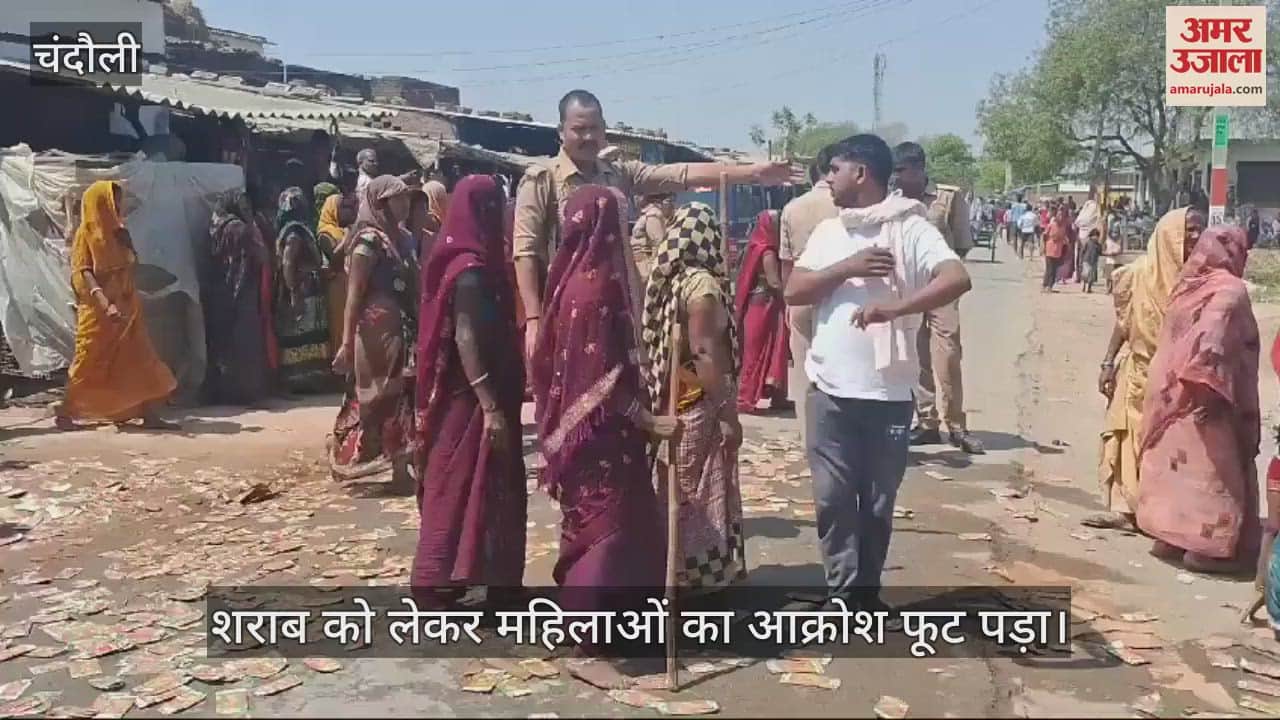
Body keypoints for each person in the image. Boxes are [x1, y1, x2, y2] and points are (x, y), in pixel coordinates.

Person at [783, 135, 972, 611]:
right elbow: (795, 289)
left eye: (836, 169)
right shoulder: (832, 232)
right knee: (831, 497)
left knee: (877, 504)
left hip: (888, 392)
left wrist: (895, 308)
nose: (828, 178)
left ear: (861, 173)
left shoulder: (911, 227)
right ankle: (842, 595)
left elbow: (956, 278)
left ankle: (866, 595)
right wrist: (848, 267)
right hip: (829, 389)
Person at [512, 89, 792, 362]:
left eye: (594, 128)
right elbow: (525, 251)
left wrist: (752, 173)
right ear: (561, 131)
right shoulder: (542, 179)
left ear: (604, 129)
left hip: (621, 306)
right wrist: (534, 319)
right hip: (568, 310)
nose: (588, 137)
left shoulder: (619, 173)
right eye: (579, 129)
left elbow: (680, 174)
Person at [532, 185, 677, 687]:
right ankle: (590, 643)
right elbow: (603, 381)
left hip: (589, 441)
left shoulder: (570, 281)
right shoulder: (595, 290)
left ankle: (621, 629)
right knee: (607, 536)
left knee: (614, 527)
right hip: (602, 439)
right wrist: (649, 419)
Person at [411, 175, 527, 604]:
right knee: (459, 487)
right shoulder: (470, 272)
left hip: (488, 395)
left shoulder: (481, 262)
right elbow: (465, 338)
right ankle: (438, 581)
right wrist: (490, 404)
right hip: (472, 400)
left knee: (487, 488)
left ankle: (492, 578)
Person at [1136, 225, 1259, 573]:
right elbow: (1212, 343)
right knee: (1214, 469)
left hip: (1167, 392)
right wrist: (1211, 391)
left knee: (1173, 465)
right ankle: (1210, 547)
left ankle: (1170, 536)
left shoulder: (1187, 285)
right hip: (1206, 397)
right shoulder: (1230, 291)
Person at [642, 202, 746, 596]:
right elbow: (704, 352)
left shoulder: (668, 278)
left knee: (676, 487)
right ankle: (688, 574)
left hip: (673, 396)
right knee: (692, 491)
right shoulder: (701, 287)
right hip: (694, 401)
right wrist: (725, 410)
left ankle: (676, 569)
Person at [1087, 206, 1206, 531]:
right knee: (1129, 439)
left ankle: (1162, 515)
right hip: (1138, 373)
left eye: (1200, 229)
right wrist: (1108, 362)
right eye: (1189, 230)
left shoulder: (1201, 281)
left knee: (1170, 447)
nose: (1196, 237)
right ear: (1170, 234)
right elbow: (1124, 323)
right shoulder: (1138, 274)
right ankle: (1126, 510)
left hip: (1178, 381)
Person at [54, 181, 180, 431]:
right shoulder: (85, 233)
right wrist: (105, 303)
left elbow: (132, 263)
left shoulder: (120, 232)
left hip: (127, 306)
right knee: (89, 360)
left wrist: (128, 245)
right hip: (99, 311)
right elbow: (84, 270)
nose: (119, 206)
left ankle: (148, 411)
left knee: (140, 356)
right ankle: (66, 413)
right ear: (101, 202)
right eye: (114, 200)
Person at [891, 142, 981, 454]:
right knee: (917, 357)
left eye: (901, 171)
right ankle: (926, 422)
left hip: (941, 288)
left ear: (918, 170)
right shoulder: (893, 201)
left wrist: (944, 273)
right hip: (909, 288)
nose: (897, 178)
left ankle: (956, 425)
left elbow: (963, 243)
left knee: (948, 353)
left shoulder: (947, 198)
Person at [329, 176, 420, 481]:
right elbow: (354, 296)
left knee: (403, 393)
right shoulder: (367, 242)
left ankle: (400, 465)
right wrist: (345, 343)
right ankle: (361, 452)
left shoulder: (403, 238)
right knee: (376, 395)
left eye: (407, 198)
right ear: (382, 203)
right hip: (375, 332)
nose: (405, 204)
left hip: (402, 328)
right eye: (399, 199)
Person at [778, 146, 840, 446]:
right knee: (840, 367)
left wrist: (789, 303)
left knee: (803, 369)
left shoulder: (793, 208)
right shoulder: (849, 204)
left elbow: (786, 264)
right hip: (840, 295)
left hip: (801, 294)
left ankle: (809, 438)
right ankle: (839, 439)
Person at [204, 190, 272, 406]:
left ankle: (223, 391)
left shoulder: (215, 226)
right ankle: (245, 393)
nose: (247, 210)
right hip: (241, 291)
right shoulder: (240, 229)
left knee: (224, 344)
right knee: (245, 344)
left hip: (219, 292)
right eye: (243, 206)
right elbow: (260, 256)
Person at [274, 187, 333, 394]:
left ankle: (311, 380)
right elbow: (288, 263)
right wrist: (293, 292)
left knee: (310, 334)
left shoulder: (299, 229)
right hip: (301, 290)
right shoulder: (294, 233)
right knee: (299, 333)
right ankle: (295, 382)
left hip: (308, 289)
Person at [734, 210, 789, 414]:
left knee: (768, 350)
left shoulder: (755, 247)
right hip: (764, 308)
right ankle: (744, 398)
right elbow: (774, 282)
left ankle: (777, 396)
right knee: (755, 354)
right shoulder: (766, 251)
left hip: (762, 307)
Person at [316, 187, 358, 357]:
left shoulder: (346, 230)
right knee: (340, 327)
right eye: (344, 208)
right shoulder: (325, 233)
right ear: (333, 209)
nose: (349, 212)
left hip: (350, 285)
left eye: (350, 207)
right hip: (337, 289)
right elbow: (335, 259)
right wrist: (349, 236)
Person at [631, 193, 673, 280]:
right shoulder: (646, 214)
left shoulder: (652, 214)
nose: (635, 197)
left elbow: (658, 243)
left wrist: (653, 267)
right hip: (640, 264)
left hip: (646, 266)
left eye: (639, 195)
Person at [1042, 208, 1069, 292]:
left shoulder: (1063, 227)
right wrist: (1043, 247)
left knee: (1054, 270)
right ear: (1056, 216)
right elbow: (1044, 236)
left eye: (1062, 216)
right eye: (1059, 215)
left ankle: (1050, 286)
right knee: (1049, 269)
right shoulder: (1051, 225)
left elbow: (1065, 238)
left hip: (1058, 251)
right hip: (1050, 249)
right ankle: (1045, 285)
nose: (1061, 217)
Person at [1081, 228, 1102, 294]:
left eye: (1097, 236)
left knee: (1091, 276)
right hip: (1086, 260)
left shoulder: (1098, 245)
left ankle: (1089, 288)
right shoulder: (1087, 242)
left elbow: (1100, 252)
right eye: (1094, 236)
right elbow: (1083, 251)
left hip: (1094, 261)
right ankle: (1083, 285)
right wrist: (1081, 259)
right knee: (1086, 274)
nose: (1096, 237)